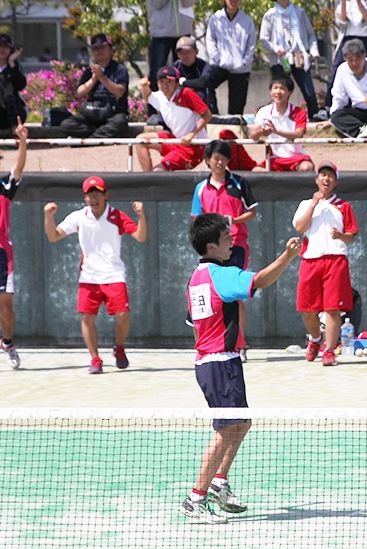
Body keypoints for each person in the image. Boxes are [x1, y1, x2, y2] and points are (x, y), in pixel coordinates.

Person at [182, 212, 299, 524]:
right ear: (211, 246)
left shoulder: (196, 278)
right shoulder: (221, 275)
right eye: (225, 238)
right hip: (219, 362)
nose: (231, 240)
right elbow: (259, 280)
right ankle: (196, 498)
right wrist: (288, 256)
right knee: (224, 431)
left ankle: (219, 482)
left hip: (215, 361)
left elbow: (196, 327)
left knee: (241, 422)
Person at [43, 176, 147, 374]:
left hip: (114, 275)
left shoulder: (117, 215)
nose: (94, 198)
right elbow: (53, 236)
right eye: (90, 194)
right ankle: (95, 359)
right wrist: (49, 217)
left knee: (123, 316)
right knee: (87, 318)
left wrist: (141, 216)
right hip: (89, 277)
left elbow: (141, 237)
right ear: (85, 198)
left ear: (106, 195)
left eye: (98, 193)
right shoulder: (79, 217)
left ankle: (118, 347)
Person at [192, 140, 258, 362]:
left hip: (236, 244)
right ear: (207, 160)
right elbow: (197, 220)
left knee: (235, 296)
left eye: (223, 157)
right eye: (215, 157)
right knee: (210, 298)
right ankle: (208, 344)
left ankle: (240, 344)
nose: (219, 162)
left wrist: (234, 220)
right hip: (210, 250)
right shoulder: (200, 188)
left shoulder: (239, 183)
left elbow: (252, 212)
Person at [293, 161, 358, 366]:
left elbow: (351, 236)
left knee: (332, 308)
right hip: (310, 260)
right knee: (307, 309)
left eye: (330, 175)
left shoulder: (343, 206)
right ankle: (315, 339)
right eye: (322, 175)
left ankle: (329, 350)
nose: (326, 179)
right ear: (316, 180)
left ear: (335, 181)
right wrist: (314, 204)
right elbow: (300, 228)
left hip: (336, 260)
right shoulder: (306, 204)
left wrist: (340, 235)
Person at [135, 66, 213, 171]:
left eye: (169, 82)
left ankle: (151, 181)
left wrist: (192, 134)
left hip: (193, 147)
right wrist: (145, 86)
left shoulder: (186, 93)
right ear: (158, 83)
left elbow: (207, 115)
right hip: (177, 140)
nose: (165, 86)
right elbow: (148, 97)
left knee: (158, 171)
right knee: (140, 140)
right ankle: (147, 179)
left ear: (177, 84)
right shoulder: (161, 96)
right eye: (162, 81)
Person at [259, 0, 322, 121]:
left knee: (309, 92)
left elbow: (310, 34)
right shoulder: (270, 15)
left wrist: (314, 51)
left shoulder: (300, 12)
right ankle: (279, 121)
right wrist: (276, 48)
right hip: (280, 59)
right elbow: (264, 39)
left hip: (298, 57)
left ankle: (314, 119)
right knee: (280, 93)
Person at [60, 34, 129, 139]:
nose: (100, 51)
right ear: (92, 53)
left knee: (120, 122)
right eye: (96, 48)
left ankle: (89, 139)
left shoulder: (120, 69)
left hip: (113, 113)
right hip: (93, 112)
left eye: (103, 47)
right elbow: (79, 93)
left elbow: (119, 92)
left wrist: (102, 77)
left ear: (111, 50)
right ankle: (98, 135)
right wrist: (93, 79)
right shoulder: (89, 71)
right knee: (67, 124)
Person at [320, 0, 367, 119]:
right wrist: (343, 4)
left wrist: (359, 3)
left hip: (365, 40)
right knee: (337, 71)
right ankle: (328, 107)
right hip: (346, 39)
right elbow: (340, 22)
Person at [0, 120, 27, 369]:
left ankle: (7, 343)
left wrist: (22, 141)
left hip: (2, 256)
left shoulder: (4, 187)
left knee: (6, 310)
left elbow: (18, 168)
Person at [248, 75, 314, 172]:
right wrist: (261, 132)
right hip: (274, 158)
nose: (278, 92)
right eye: (275, 88)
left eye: (282, 88)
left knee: (307, 167)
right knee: (256, 172)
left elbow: (299, 134)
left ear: (289, 92)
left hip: (296, 157)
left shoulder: (300, 112)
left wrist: (276, 131)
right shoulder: (263, 111)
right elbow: (252, 136)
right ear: (270, 92)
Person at [146, 0, 196, 117]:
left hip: (183, 31)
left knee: (184, 73)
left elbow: (189, 3)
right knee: (156, 72)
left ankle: (184, 108)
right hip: (160, 32)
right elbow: (158, 3)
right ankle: (153, 113)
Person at [206, 0, 256, 114]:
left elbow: (251, 44)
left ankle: (233, 129)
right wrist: (217, 58)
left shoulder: (247, 20)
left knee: (237, 108)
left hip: (241, 69)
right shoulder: (216, 18)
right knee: (206, 83)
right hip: (219, 65)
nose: (233, 1)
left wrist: (244, 62)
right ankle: (213, 116)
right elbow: (210, 40)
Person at [173, 36, 217, 114]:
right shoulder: (176, 67)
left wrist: (183, 83)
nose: (184, 56)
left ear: (196, 52)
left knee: (201, 92)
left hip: (204, 110)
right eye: (181, 53)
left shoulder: (204, 66)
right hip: (182, 110)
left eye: (188, 52)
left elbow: (203, 82)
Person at [0, 34, 27, 133]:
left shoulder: (14, 67)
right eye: (0, 46)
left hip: (12, 112)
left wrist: (12, 64)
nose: (2, 50)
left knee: (9, 95)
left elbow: (21, 86)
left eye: (5, 47)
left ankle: (16, 131)